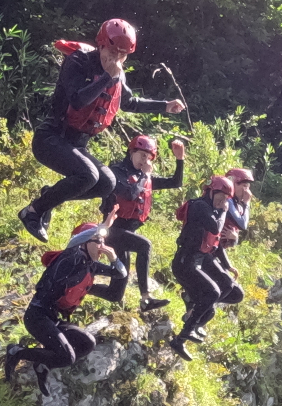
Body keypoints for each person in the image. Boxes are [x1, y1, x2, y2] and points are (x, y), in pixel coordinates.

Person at [17, 19, 185, 242]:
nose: (116, 58)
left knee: (107, 183)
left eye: (123, 54)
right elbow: (77, 100)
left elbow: (129, 102)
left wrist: (164, 105)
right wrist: (107, 77)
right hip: (51, 138)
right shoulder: (78, 61)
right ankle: (33, 211)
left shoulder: (118, 72)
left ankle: (49, 197)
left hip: (77, 143)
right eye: (114, 51)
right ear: (102, 44)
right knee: (88, 175)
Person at [4, 218, 127, 396]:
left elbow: (120, 273)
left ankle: (43, 363)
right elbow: (74, 240)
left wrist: (113, 257)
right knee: (67, 356)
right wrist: (101, 228)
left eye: (103, 243)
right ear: (85, 243)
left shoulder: (92, 265)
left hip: (54, 319)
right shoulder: (71, 257)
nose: (101, 247)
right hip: (37, 316)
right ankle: (16, 352)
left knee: (87, 343)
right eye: (97, 242)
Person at [100, 134, 186, 311]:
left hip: (125, 235)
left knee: (115, 294)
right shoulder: (116, 171)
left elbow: (175, 182)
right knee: (144, 246)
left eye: (148, 157)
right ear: (131, 152)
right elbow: (130, 193)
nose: (144, 160)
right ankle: (146, 297)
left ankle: (83, 287)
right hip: (111, 230)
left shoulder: (143, 176)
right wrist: (145, 176)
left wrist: (180, 160)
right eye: (142, 155)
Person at [170, 176, 245, 360]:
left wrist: (227, 266)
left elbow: (215, 243)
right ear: (211, 192)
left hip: (201, 258)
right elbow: (214, 227)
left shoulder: (215, 208)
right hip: (185, 262)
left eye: (226, 198)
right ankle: (182, 336)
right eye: (220, 196)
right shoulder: (200, 206)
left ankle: (194, 317)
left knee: (230, 288)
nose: (223, 201)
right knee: (212, 293)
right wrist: (223, 211)